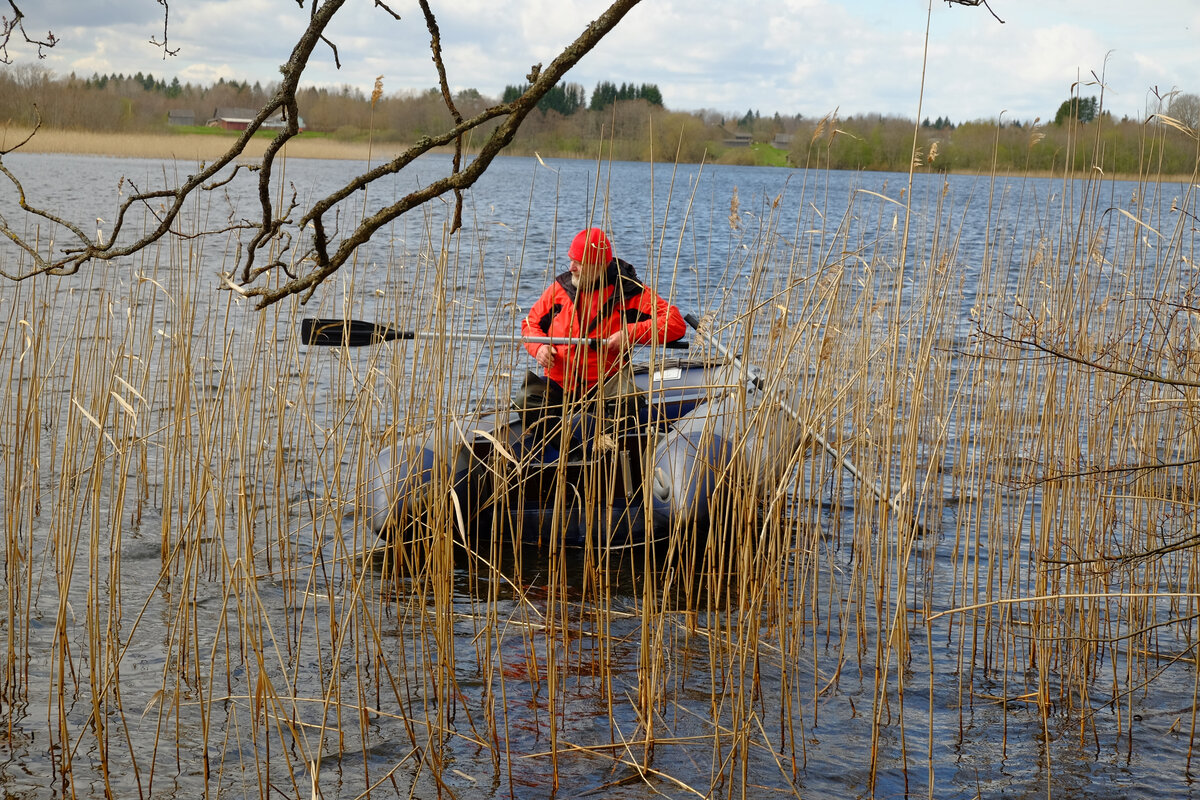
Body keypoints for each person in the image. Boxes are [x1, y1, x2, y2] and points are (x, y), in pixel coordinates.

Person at [517, 227, 686, 419]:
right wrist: (539, 347)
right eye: (571, 260)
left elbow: (675, 322)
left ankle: (607, 446)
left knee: (628, 401)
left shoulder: (628, 291)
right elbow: (530, 325)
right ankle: (568, 447)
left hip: (607, 383)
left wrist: (630, 334)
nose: (571, 267)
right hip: (560, 383)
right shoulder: (559, 289)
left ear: (599, 266)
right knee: (526, 400)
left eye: (579, 263)